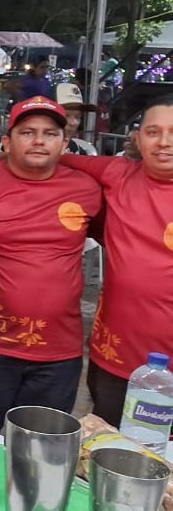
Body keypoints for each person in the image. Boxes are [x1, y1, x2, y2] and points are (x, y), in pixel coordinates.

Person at [0, 97, 101, 438]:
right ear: (7, 142)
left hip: (60, 351)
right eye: (27, 132)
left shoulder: (87, 188)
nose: (39, 141)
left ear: (64, 144)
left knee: (43, 450)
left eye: (50, 134)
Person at [40, 94, 173, 424]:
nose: (163, 142)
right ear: (137, 138)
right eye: (153, 132)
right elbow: (56, 156)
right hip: (114, 356)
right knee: (108, 443)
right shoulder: (118, 173)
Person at [56, 82, 99, 155]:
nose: (73, 123)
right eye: (66, 115)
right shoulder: (37, 152)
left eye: (78, 117)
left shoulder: (80, 151)